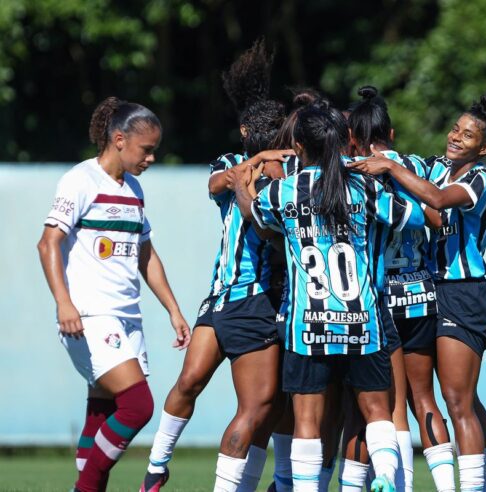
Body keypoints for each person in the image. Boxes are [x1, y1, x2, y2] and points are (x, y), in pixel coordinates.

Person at [229, 99, 425, 492]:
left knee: (308, 420)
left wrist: (240, 189)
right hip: (364, 321)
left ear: (298, 147)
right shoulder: (363, 185)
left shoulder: (286, 191)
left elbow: (257, 218)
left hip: (308, 323)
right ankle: (385, 475)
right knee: (377, 412)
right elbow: (415, 218)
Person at [139, 39, 294, 492]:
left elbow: (243, 187)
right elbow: (218, 182)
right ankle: (158, 466)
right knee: (213, 390)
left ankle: (164, 470)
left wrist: (267, 162)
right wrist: (262, 159)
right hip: (236, 301)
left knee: (253, 403)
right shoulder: (235, 165)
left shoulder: (284, 172)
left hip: (245, 301)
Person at [349, 92, 486, 492]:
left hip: (463, 292)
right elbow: (401, 169)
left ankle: (472, 487)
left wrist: (388, 164)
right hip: (429, 289)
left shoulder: (481, 180)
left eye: (469, 135)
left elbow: (438, 202)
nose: (456, 137)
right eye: (455, 129)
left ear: (485, 147)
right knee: (462, 401)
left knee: (458, 401)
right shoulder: (435, 167)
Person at [37, 96, 191, 492]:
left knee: (102, 410)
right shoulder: (80, 180)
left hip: (127, 317)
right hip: (90, 315)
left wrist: (173, 309)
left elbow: (146, 254)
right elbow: (47, 243)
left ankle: (88, 484)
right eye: (147, 150)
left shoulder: (134, 189)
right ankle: (85, 488)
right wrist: (64, 302)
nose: (151, 159)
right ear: (119, 139)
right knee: (138, 405)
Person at [340, 85, 452, 492]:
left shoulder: (352, 171)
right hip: (421, 295)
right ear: (393, 131)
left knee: (385, 409)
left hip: (378, 300)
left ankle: (398, 485)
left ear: (352, 136)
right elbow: (440, 219)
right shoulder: (419, 166)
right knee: (425, 400)